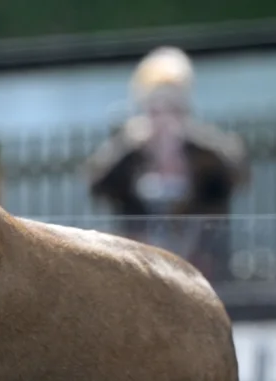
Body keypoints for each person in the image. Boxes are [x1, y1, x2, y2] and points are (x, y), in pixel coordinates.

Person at [85, 46, 249, 283]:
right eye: (155, 110)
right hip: (144, 268)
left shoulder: (206, 153)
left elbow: (238, 176)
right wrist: (126, 143)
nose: (164, 119)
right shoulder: (130, 154)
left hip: (201, 269)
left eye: (173, 109)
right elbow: (95, 183)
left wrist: (194, 140)